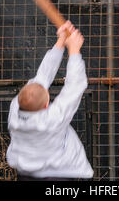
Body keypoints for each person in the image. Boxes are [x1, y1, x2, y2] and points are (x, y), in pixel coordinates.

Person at [6, 21, 94, 181]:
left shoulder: (15, 110)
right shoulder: (53, 118)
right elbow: (75, 86)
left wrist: (60, 42)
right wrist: (74, 50)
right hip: (59, 176)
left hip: (25, 176)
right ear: (46, 104)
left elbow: (42, 77)